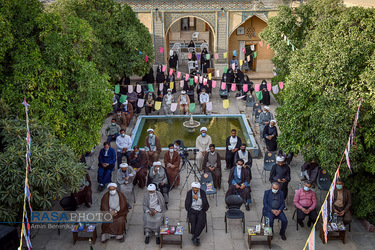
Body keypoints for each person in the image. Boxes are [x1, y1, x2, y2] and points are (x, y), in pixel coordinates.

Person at [185, 182, 210, 246]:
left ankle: (195, 236)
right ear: (192, 188)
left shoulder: (202, 192)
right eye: (194, 189)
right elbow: (187, 205)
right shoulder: (189, 193)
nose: (195, 191)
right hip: (192, 210)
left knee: (201, 221)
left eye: (197, 190)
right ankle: (196, 236)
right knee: (193, 220)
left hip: (200, 210)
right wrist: (191, 209)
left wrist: (197, 199)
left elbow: (205, 204)